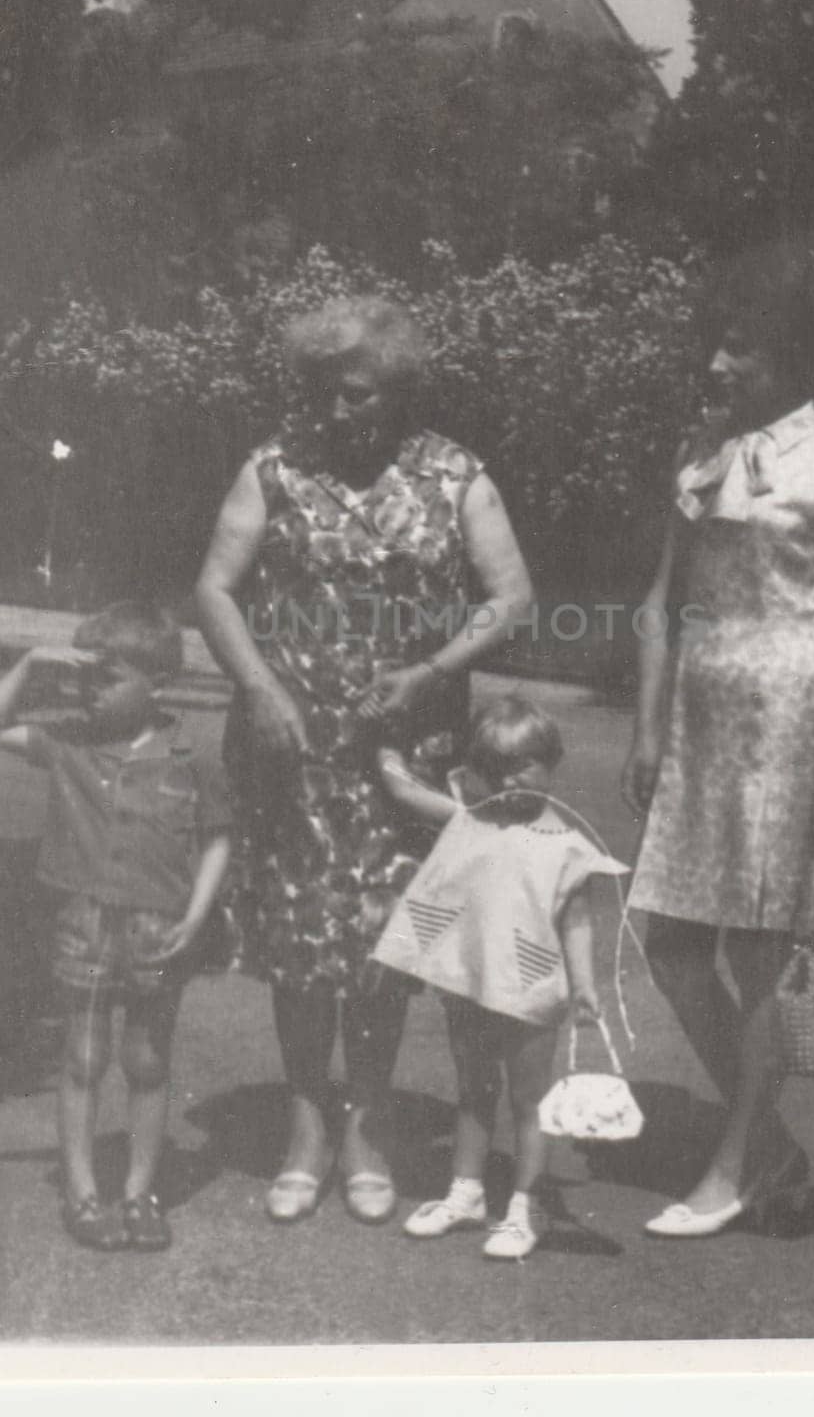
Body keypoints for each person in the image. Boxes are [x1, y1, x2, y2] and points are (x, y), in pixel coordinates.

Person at [195, 296, 533, 1225]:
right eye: (329, 394)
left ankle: (370, 1125)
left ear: (400, 392)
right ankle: (307, 1121)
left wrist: (430, 671)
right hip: (291, 748)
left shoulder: (455, 475)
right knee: (303, 940)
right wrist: (261, 688)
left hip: (404, 750)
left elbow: (509, 598)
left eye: (363, 395)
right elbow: (216, 590)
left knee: (387, 943)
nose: (343, 412)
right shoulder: (273, 468)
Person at [621, 256, 814, 1237]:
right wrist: (648, 726)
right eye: (716, 343)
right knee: (672, 943)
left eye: (741, 346)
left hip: (787, 718)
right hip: (698, 721)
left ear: (791, 358)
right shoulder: (699, 454)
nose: (719, 362)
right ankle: (766, 1143)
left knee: (764, 951)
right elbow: (661, 604)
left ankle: (733, 1164)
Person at [0, 603, 231, 1252]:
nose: (93, 692)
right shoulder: (67, 743)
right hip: (82, 921)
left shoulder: (191, 754)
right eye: (88, 679)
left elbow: (218, 841)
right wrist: (33, 663)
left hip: (159, 925)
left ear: (160, 683)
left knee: (147, 1060)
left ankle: (141, 1192)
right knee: (83, 1057)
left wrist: (197, 916)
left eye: (109, 678)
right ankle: (84, 1192)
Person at [370, 695, 628, 1260]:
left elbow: (578, 920)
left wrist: (585, 985)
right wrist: (386, 747)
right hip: (472, 979)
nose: (510, 779)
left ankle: (526, 1204)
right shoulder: (470, 816)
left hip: (532, 986)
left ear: (552, 762)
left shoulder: (566, 845)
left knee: (528, 1100)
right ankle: (466, 1192)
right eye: (494, 767)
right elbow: (407, 791)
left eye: (525, 764)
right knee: (473, 1090)